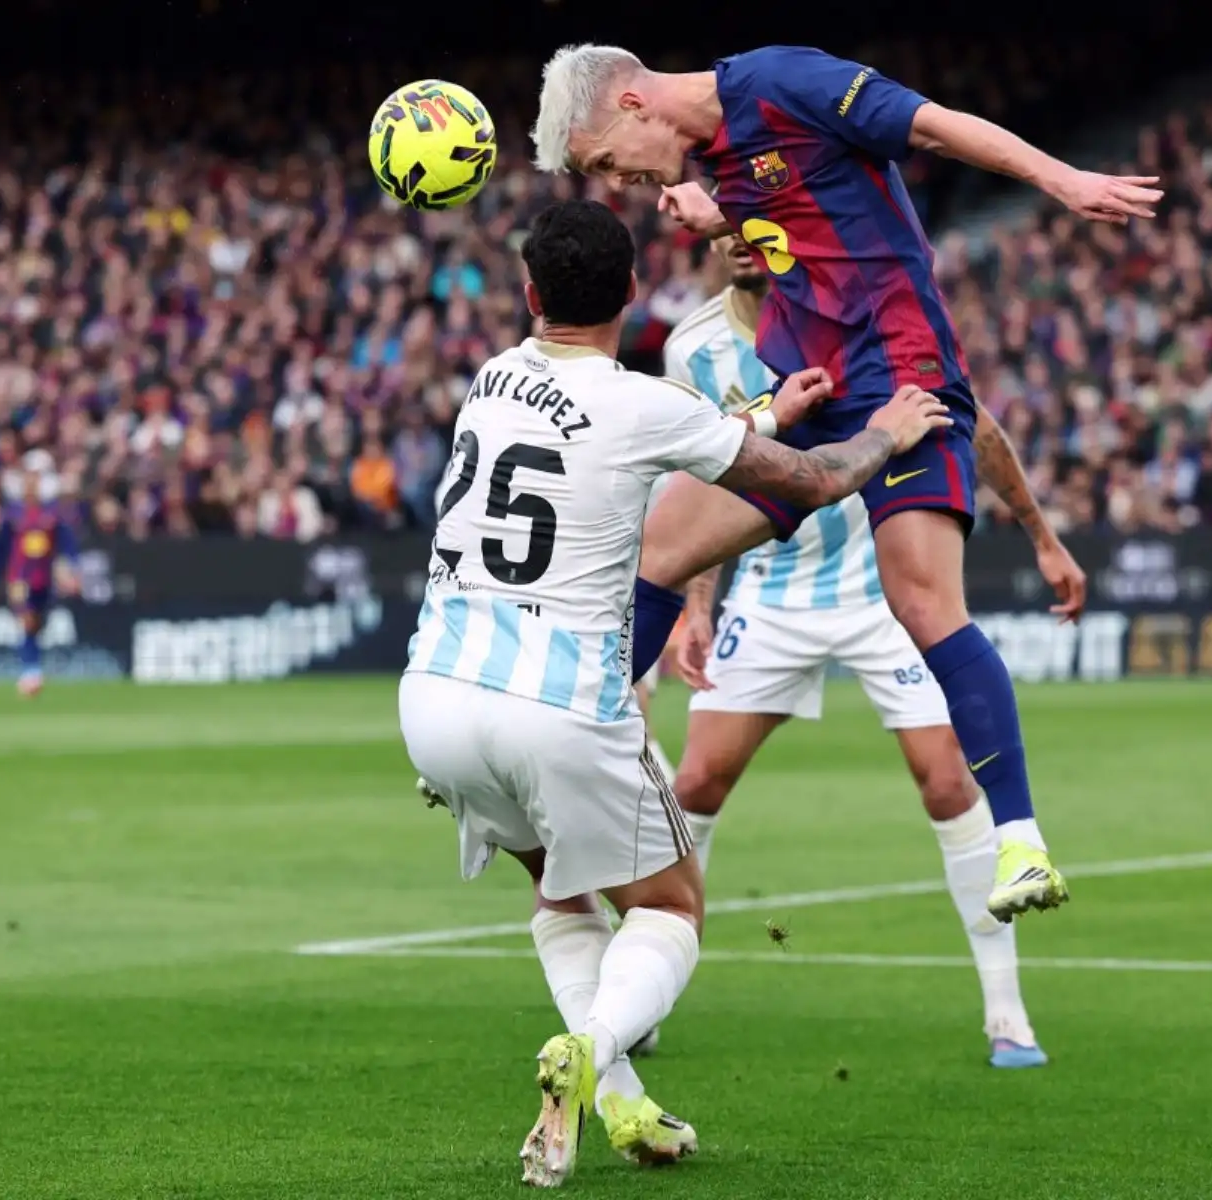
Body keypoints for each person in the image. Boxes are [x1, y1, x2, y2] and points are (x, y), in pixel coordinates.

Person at [531, 44, 1162, 918]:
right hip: (806, 390)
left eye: (608, 160)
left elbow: (933, 128)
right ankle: (563, 761)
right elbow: (794, 215)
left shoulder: (787, 83)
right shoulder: (710, 153)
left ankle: (1021, 843)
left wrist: (1061, 181)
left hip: (898, 373)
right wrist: (718, 217)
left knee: (922, 601)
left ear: (635, 104)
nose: (619, 182)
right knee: (658, 552)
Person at [398, 198, 951, 1187]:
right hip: (558, 706)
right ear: (629, 298)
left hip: (434, 697)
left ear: (529, 295)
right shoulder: (644, 403)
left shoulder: (487, 384)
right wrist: (882, 433)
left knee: (561, 890)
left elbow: (630, 449)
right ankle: (597, 1047)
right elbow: (813, 482)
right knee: (672, 906)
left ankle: (610, 1100)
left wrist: (762, 411)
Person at [654, 232, 1044, 1067]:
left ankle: (1007, 1012)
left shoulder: (855, 312)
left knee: (947, 782)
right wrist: (697, 604)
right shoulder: (692, 348)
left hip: (878, 590)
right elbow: (696, 480)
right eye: (723, 233)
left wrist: (1041, 533)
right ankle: (647, 992)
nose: (740, 244)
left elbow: (966, 427)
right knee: (694, 782)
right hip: (771, 591)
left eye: (749, 226)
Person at [0, 464, 80, 696]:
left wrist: (72, 569)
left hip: (43, 579)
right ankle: (30, 673)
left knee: (36, 624)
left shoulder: (51, 516)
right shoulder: (14, 515)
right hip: (19, 579)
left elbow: (67, 543)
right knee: (25, 620)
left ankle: (32, 667)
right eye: (28, 482)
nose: (31, 487)